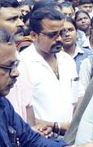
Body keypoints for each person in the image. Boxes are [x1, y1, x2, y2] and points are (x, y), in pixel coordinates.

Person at [18, 8, 79, 136]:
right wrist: (56, 126)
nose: (59, 39)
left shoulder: (67, 60)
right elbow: (19, 114)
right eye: (52, 35)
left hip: (72, 138)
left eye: (61, 33)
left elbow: (78, 97)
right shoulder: (22, 64)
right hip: (41, 140)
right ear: (34, 36)